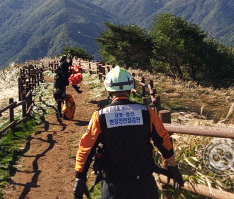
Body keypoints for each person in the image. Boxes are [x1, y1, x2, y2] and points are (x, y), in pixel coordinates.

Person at [73, 66, 184, 199]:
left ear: (108, 90)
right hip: (143, 183)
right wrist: (173, 167)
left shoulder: (100, 116)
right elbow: (163, 141)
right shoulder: (147, 112)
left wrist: (80, 178)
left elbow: (86, 148)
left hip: (114, 185)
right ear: (130, 89)